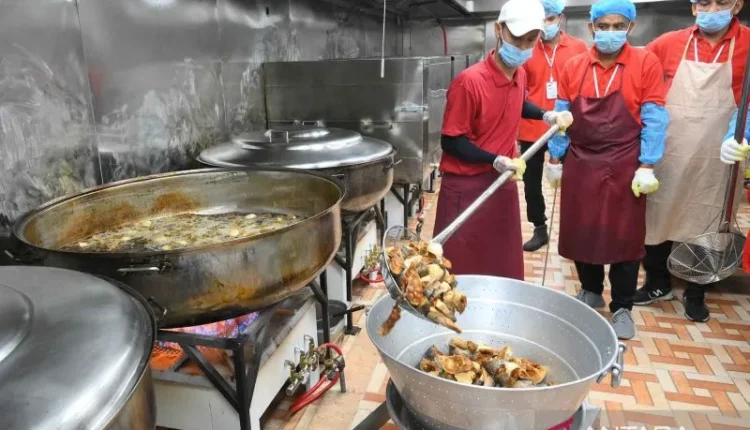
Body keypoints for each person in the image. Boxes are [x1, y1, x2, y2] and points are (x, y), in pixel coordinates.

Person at [544, 0, 669, 339]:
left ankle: (622, 306)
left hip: (626, 163)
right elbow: (561, 117)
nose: (609, 32)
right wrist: (555, 158)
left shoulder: (645, 62)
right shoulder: (573, 66)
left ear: (630, 27)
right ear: (591, 28)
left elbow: (655, 116)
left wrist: (647, 164)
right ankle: (591, 290)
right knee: (582, 230)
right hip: (581, 162)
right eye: (603, 26)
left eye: (617, 26)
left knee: (624, 238)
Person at [434, 0, 574, 280]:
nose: (522, 47)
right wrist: (494, 160)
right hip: (467, 189)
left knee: (502, 266)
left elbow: (517, 102)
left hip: (502, 186)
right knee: (459, 272)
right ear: (499, 30)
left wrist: (546, 115)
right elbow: (451, 141)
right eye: (516, 38)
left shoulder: (519, 73)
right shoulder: (469, 82)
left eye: (530, 40)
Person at [635, 0, 750, 323]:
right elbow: (639, 79)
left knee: (707, 217)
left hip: (719, 154)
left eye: (721, 2)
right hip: (670, 150)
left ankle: (696, 292)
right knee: (658, 212)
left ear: (737, 5)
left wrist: (741, 135)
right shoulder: (667, 43)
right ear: (693, 7)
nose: (712, 9)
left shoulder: (747, 44)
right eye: (703, 2)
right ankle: (657, 283)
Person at [519, 0, 588, 252]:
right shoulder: (527, 47)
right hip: (532, 126)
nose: (546, 24)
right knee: (531, 183)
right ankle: (539, 228)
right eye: (542, 19)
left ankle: (574, 230)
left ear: (560, 17)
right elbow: (519, 89)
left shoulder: (578, 48)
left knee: (574, 183)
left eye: (550, 18)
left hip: (568, 127)